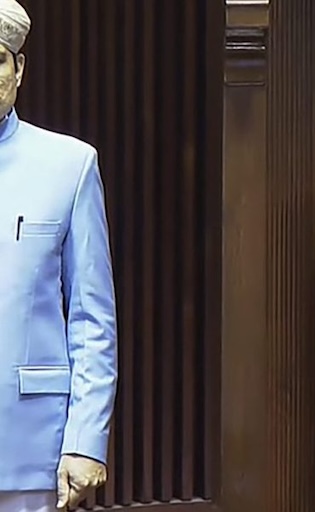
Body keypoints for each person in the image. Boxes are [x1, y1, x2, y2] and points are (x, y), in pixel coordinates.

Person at [0, 1, 118, 511]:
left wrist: (86, 439)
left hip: (29, 448)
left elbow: (92, 318)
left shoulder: (69, 165)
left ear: (19, 69)